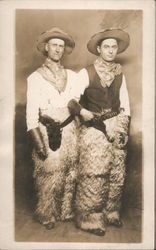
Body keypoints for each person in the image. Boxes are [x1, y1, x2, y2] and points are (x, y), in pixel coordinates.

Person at [68, 28, 131, 236]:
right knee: (95, 173)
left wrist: (122, 127)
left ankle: (110, 213)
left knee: (116, 173)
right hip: (94, 129)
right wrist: (83, 112)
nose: (111, 51)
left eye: (114, 47)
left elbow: (125, 105)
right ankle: (90, 219)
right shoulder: (86, 72)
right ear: (98, 49)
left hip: (116, 126)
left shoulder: (120, 74)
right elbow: (71, 101)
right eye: (107, 47)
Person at [26, 27, 82, 230]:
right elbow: (32, 114)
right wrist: (38, 142)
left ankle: (66, 210)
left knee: (71, 171)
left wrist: (80, 111)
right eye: (54, 45)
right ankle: (47, 213)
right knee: (49, 173)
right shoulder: (35, 77)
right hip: (48, 130)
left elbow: (74, 102)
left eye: (61, 45)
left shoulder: (72, 76)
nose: (58, 49)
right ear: (46, 48)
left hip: (70, 130)